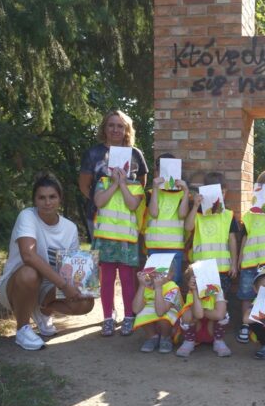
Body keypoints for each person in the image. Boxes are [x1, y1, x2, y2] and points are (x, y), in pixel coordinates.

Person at [0, 173, 95, 351]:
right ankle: (22, 330)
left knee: (85, 303)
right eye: (41, 197)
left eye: (52, 197)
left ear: (60, 199)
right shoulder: (27, 216)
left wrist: (86, 284)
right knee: (30, 272)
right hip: (17, 285)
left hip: (50, 286)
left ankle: (42, 311)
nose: (47, 202)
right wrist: (65, 285)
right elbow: (28, 255)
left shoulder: (70, 228)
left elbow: (72, 267)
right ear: (34, 200)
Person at [93, 159, 146, 336]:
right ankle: (108, 318)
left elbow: (132, 204)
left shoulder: (137, 186)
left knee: (127, 281)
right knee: (106, 281)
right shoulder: (103, 182)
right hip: (106, 240)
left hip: (126, 241)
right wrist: (115, 183)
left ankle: (129, 317)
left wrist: (122, 184)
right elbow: (99, 202)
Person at [184, 171, 239, 340]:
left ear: (225, 192)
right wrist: (194, 205)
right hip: (201, 269)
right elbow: (188, 227)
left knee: (218, 305)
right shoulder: (199, 213)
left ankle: (216, 337)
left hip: (222, 270)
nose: (219, 196)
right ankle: (200, 335)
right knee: (201, 301)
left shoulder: (228, 215)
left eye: (222, 192)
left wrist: (234, 263)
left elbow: (232, 240)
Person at [78, 110, 148, 241]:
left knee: (126, 260)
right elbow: (84, 186)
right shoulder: (93, 153)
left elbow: (140, 184)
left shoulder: (136, 154)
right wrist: (102, 200)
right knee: (101, 260)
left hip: (128, 218)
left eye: (120, 126)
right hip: (98, 216)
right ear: (104, 128)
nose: (115, 129)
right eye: (111, 125)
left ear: (127, 130)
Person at [237, 170, 265, 344]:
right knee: (246, 293)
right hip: (249, 260)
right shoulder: (250, 213)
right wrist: (240, 258)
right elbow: (246, 237)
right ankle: (245, 324)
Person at [144, 153, 189, 286]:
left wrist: (186, 191)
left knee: (173, 283)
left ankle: (172, 307)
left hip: (174, 248)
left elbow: (182, 215)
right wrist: (156, 188)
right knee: (155, 283)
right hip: (154, 246)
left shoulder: (181, 193)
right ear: (157, 171)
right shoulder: (152, 193)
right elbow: (154, 212)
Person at [176, 267, 231, 357]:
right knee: (186, 313)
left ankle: (218, 341)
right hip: (195, 331)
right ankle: (189, 341)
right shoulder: (191, 292)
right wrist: (194, 290)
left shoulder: (217, 290)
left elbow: (220, 315)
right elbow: (198, 314)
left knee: (224, 313)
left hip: (212, 331)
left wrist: (203, 310)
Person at [131, 263, 183, 354]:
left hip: (171, 319)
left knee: (163, 317)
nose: (156, 274)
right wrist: (142, 286)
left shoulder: (172, 287)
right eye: (153, 271)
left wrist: (158, 288)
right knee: (141, 312)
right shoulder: (148, 285)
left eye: (161, 272)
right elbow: (135, 309)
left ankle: (165, 338)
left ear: (170, 275)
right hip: (156, 312)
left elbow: (160, 312)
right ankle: (152, 337)